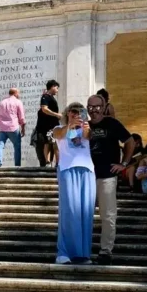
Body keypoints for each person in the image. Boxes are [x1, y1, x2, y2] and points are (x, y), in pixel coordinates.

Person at [87, 94, 133, 264]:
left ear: (104, 106)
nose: (94, 110)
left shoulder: (112, 124)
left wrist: (124, 163)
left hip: (107, 175)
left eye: (97, 106)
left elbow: (130, 141)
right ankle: (84, 249)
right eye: (90, 106)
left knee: (107, 215)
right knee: (84, 215)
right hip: (87, 177)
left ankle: (105, 250)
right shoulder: (84, 126)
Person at [52, 104, 96, 264]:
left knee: (85, 212)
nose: (77, 114)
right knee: (69, 210)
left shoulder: (87, 129)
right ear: (67, 114)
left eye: (80, 112)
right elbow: (58, 135)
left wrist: (84, 125)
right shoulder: (59, 128)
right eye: (73, 112)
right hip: (67, 169)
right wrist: (69, 125)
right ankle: (63, 253)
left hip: (87, 170)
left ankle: (82, 254)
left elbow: (89, 136)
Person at [0, 88, 25, 167]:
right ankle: (17, 165)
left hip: (2, 128)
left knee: (0, 145)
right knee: (17, 146)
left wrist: (0, 124)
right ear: (15, 93)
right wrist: (23, 127)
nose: (19, 94)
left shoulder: (2, 102)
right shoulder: (18, 102)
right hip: (13, 127)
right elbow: (21, 117)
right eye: (18, 93)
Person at [34, 80, 61, 168]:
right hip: (48, 126)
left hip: (53, 125)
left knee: (51, 143)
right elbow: (44, 109)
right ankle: (49, 162)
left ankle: (54, 162)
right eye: (56, 88)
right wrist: (56, 114)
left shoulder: (50, 97)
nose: (57, 90)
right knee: (50, 143)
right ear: (52, 86)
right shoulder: (45, 97)